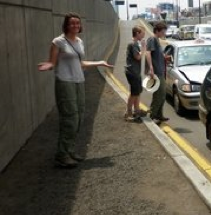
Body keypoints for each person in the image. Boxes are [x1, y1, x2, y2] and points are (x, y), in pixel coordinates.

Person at [38, 13, 113, 168]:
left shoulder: (79, 41)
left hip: (79, 82)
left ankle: (69, 150)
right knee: (70, 119)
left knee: (78, 118)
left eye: (77, 23)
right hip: (65, 83)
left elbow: (81, 63)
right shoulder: (58, 42)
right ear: (66, 25)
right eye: (72, 23)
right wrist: (49, 66)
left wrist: (100, 62)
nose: (75, 26)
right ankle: (62, 155)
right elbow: (52, 62)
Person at [145, 21, 169, 124]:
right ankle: (152, 115)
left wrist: (164, 57)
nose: (164, 33)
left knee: (161, 94)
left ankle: (159, 114)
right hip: (156, 72)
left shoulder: (157, 40)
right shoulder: (152, 39)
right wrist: (151, 68)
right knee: (160, 94)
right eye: (163, 31)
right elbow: (148, 53)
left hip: (160, 71)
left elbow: (157, 55)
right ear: (157, 31)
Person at [124, 25, 147, 122]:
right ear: (137, 33)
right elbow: (138, 57)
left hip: (135, 72)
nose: (144, 35)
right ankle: (128, 113)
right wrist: (143, 48)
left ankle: (137, 111)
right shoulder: (133, 44)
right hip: (132, 72)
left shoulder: (134, 43)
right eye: (142, 33)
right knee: (134, 94)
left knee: (137, 92)